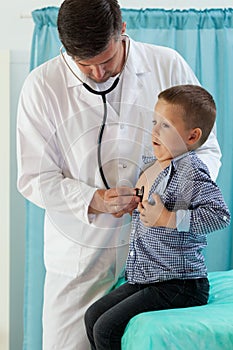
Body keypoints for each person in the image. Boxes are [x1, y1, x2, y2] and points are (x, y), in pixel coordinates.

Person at [16, 0, 222, 348]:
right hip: (82, 256)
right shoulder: (41, 86)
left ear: (122, 29)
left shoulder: (167, 64)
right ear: (65, 48)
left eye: (107, 61)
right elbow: (34, 178)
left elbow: (206, 148)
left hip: (163, 260)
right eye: (85, 65)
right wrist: (93, 199)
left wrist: (169, 198)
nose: (98, 74)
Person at [84, 84, 231, 350]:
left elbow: (219, 216)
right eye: (154, 121)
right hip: (148, 276)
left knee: (106, 328)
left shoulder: (190, 171)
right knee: (93, 316)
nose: (154, 131)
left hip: (180, 282)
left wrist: (168, 218)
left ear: (191, 136)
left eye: (165, 126)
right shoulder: (154, 164)